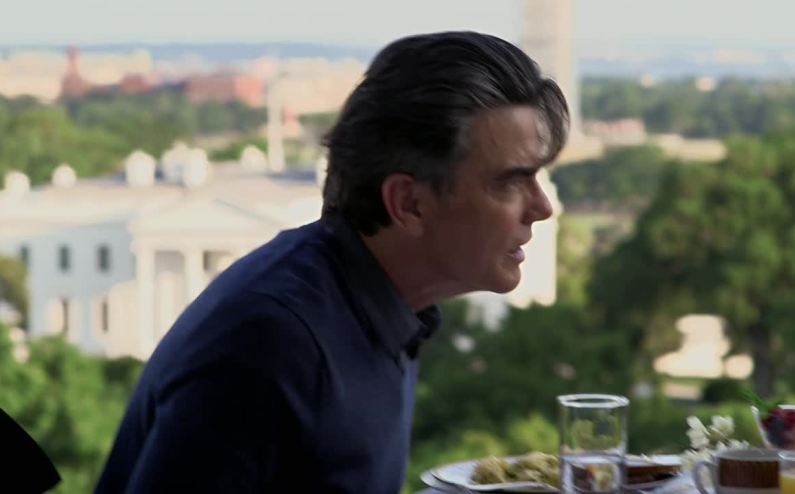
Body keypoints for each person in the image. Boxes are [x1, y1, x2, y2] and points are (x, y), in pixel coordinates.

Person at [95, 31, 569, 493]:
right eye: (511, 181)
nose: (542, 207)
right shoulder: (270, 345)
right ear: (409, 204)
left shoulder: (380, 307)